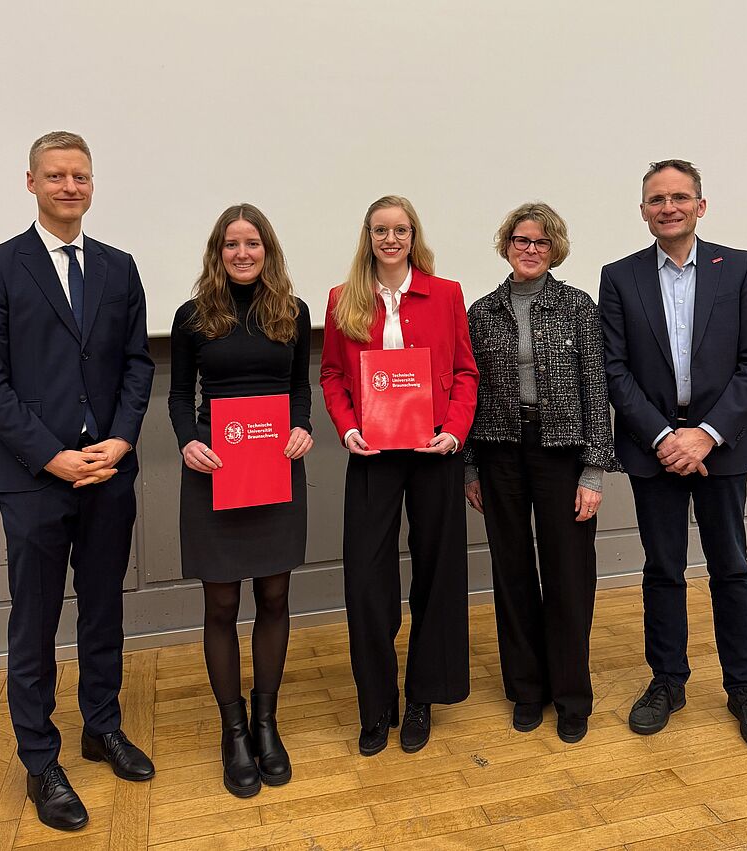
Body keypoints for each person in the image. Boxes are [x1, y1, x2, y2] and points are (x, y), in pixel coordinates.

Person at [0, 131, 155, 831]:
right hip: (33, 480)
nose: (70, 186)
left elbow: (138, 363)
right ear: (31, 183)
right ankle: (40, 759)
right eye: (56, 175)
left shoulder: (119, 267)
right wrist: (51, 456)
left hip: (108, 471)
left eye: (81, 176)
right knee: (35, 622)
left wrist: (121, 439)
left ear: (92, 185)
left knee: (103, 609)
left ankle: (102, 726)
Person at [599, 159, 747, 752]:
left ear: (700, 206)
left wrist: (705, 434)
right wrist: (663, 437)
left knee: (731, 568)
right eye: (656, 199)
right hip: (653, 448)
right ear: (643, 211)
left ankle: (744, 688)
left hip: (721, 447)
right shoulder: (619, 277)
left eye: (679, 197)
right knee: (663, 569)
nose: (668, 207)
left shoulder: (740, 267)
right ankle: (668, 681)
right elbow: (615, 371)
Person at [320, 195, 479, 756]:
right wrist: (346, 428)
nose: (391, 239)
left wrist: (454, 431)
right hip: (371, 454)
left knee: (437, 574)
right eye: (381, 230)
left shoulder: (446, 294)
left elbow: (465, 372)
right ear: (367, 236)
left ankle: (421, 698)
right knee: (367, 580)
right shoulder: (342, 299)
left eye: (401, 230)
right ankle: (376, 703)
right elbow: (332, 375)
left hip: (435, 450)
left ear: (414, 236)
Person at [168, 204, 312, 797]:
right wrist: (187, 441)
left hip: (276, 469)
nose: (243, 253)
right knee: (222, 604)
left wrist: (302, 426)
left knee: (275, 597)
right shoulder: (193, 316)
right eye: (232, 244)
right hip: (215, 471)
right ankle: (233, 733)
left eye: (253, 243)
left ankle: (265, 723)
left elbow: (299, 387)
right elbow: (179, 394)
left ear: (267, 250)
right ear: (218, 252)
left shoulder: (292, 312)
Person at [464, 202, 617, 743]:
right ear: (506, 245)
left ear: (556, 249)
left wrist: (594, 470)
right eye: (521, 240)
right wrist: (469, 466)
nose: (530, 249)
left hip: (562, 453)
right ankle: (527, 690)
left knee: (569, 575)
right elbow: (468, 392)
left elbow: (597, 389)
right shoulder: (481, 312)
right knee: (512, 572)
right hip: (499, 452)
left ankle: (572, 696)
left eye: (541, 242)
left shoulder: (577, 306)